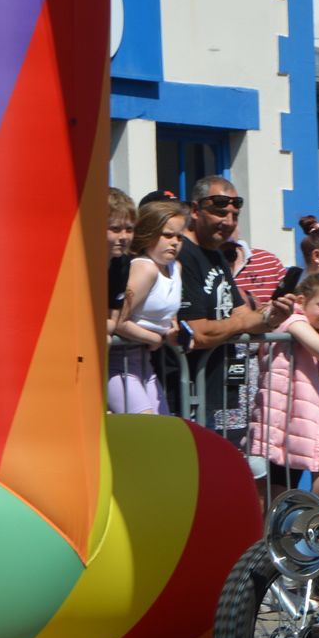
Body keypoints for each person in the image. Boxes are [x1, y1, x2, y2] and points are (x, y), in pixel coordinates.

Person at [174, 177, 286, 444]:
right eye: (220, 212)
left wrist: (272, 316)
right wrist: (243, 323)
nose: (228, 221)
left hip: (219, 392)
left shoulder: (216, 254)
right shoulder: (182, 254)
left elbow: (242, 314)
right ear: (195, 210)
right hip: (185, 394)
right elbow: (198, 332)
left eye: (234, 215)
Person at [249, 272, 319, 502]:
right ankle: (296, 518)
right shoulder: (293, 321)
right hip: (284, 419)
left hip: (297, 419)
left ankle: (291, 522)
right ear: (300, 301)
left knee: (282, 488)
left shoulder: (304, 323)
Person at [109, 200, 187, 414]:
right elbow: (117, 322)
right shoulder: (144, 268)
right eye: (167, 235)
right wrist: (154, 338)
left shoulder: (175, 267)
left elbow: (169, 312)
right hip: (120, 361)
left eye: (179, 237)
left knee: (160, 429)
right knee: (146, 425)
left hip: (146, 363)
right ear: (149, 233)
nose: (174, 243)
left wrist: (172, 329)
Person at [105, 187, 137, 325]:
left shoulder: (123, 264)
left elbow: (112, 321)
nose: (124, 237)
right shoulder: (77, 265)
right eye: (115, 229)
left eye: (129, 229)